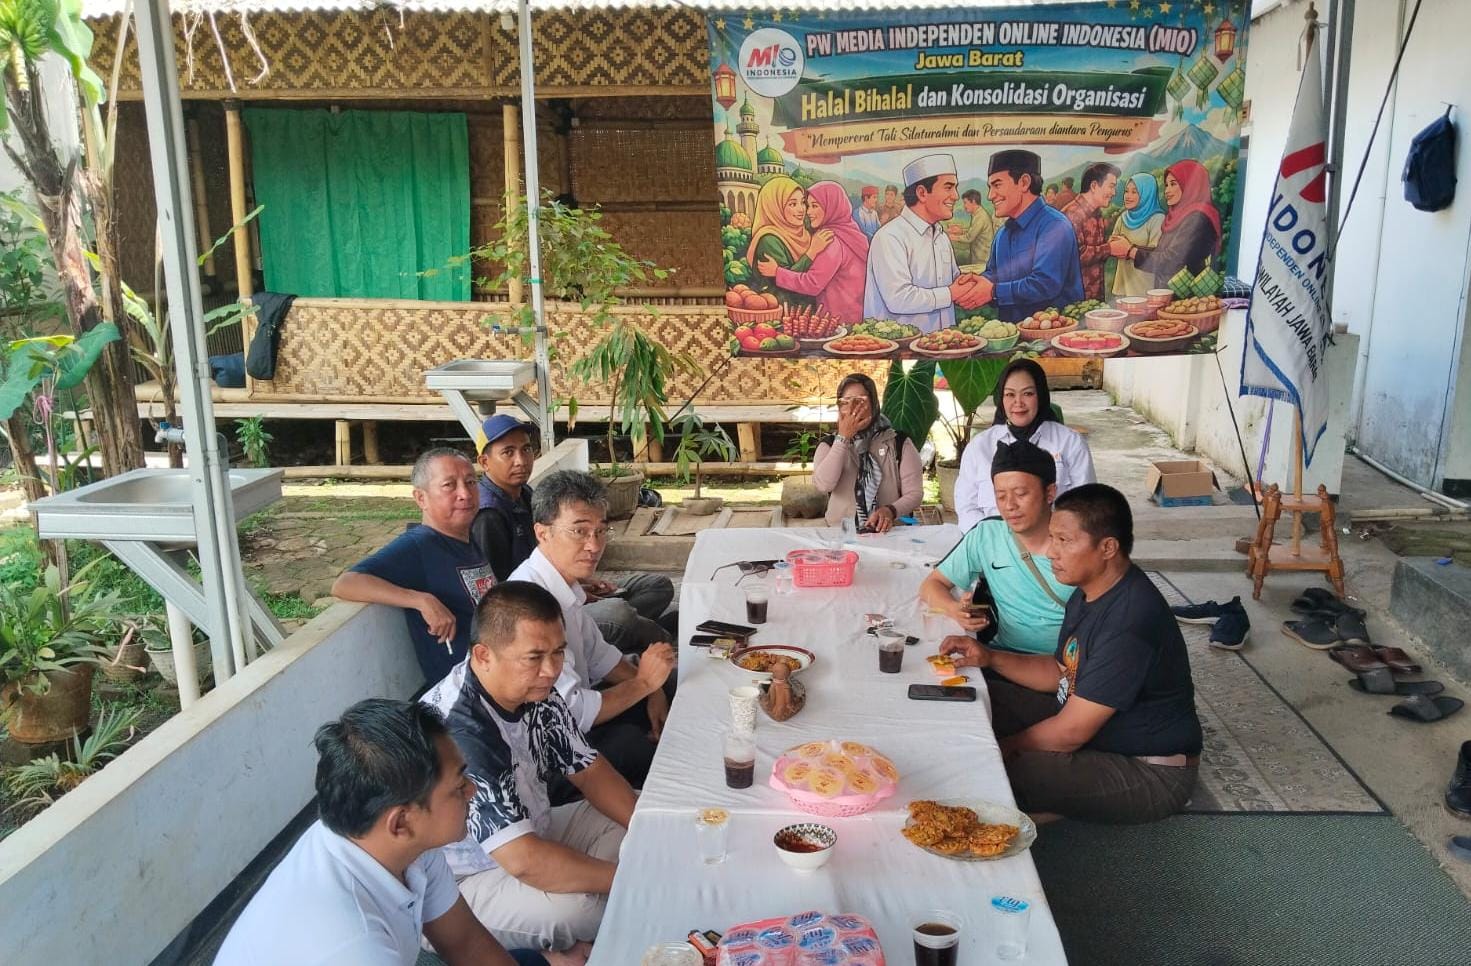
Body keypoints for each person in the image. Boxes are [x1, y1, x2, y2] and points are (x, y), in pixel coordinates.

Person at [214, 698, 551, 966]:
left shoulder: (402, 844)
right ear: (400, 823)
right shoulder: (352, 944)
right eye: (458, 785)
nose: (472, 791)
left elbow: (466, 943)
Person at [941, 484, 1202, 824]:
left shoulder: (1130, 621)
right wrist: (989, 657)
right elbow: (1062, 671)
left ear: (1107, 547)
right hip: (1093, 727)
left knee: (1000, 772)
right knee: (978, 696)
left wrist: (1003, 747)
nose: (1051, 552)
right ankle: (1052, 801)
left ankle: (1049, 810)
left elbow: (1071, 732)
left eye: (1064, 541)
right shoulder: (1088, 590)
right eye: (1053, 538)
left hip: (1150, 769)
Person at [423, 581, 636, 954]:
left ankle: (568, 930)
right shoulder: (463, 730)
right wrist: (635, 878)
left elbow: (589, 770)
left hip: (532, 828)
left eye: (558, 653)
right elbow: (522, 859)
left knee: (639, 818)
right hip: (464, 879)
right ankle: (556, 938)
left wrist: (646, 837)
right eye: (534, 657)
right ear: (484, 655)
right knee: (583, 908)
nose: (552, 670)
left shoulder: (533, 686)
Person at [508, 471, 676, 788]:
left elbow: (601, 657)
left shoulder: (565, 587)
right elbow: (574, 714)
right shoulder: (529, 602)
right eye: (579, 531)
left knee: (673, 685)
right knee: (635, 746)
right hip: (543, 758)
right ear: (542, 533)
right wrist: (643, 684)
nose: (594, 545)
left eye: (601, 531)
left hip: (575, 718)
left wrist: (655, 690)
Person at [471, 414, 675, 654]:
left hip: (567, 586)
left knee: (656, 585)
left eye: (526, 449)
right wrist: (572, 593)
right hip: (542, 614)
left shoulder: (525, 494)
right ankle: (658, 637)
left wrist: (581, 583)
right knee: (617, 613)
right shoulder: (488, 515)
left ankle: (633, 633)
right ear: (484, 462)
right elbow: (500, 598)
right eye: (508, 452)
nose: (521, 460)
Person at [333, 448, 494, 685]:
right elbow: (345, 584)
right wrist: (421, 600)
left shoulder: (466, 538)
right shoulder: (419, 545)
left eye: (471, 482)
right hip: (464, 696)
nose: (465, 494)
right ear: (421, 498)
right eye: (449, 485)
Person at [919, 439, 1071, 655]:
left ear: (1050, 493)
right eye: (1001, 496)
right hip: (1003, 656)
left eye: (1021, 494)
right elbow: (931, 585)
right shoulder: (987, 536)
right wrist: (955, 610)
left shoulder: (1079, 544)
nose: (1009, 505)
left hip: (1066, 668)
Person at [955, 359, 1095, 530]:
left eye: (1027, 394)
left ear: (1041, 395)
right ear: (1001, 398)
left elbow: (1085, 506)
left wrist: (1049, 542)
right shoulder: (979, 447)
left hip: (1054, 547)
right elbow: (966, 509)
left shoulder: (1070, 443)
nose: (1018, 403)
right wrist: (995, 542)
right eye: (1010, 394)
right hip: (994, 548)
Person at [864, 153, 986, 334]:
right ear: (922, 193)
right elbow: (899, 298)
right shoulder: (889, 237)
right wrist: (951, 293)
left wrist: (969, 283)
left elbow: (952, 282)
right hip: (902, 353)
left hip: (944, 347)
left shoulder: (941, 237)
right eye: (948, 187)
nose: (955, 196)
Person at [976, 150, 1085, 323]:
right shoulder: (1002, 235)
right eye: (990, 187)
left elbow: (1044, 284)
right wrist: (976, 283)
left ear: (1024, 182)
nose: (990, 196)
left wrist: (993, 291)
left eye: (997, 185)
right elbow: (994, 274)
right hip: (1011, 341)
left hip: (1055, 341)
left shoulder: (1054, 225)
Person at [810, 373, 923, 532]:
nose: (852, 409)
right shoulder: (829, 445)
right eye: (845, 402)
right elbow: (824, 484)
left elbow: (914, 493)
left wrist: (890, 510)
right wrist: (843, 438)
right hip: (840, 533)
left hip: (891, 534)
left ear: (874, 403)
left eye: (860, 401)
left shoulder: (899, 443)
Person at [756, 180, 869, 326]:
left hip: (834, 323)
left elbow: (812, 284)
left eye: (815, 206)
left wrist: (778, 272)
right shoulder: (852, 234)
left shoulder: (830, 240)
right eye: (808, 205)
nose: (808, 212)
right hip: (856, 317)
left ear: (832, 207)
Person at [1109, 159, 1221, 288]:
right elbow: (1162, 251)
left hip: (1187, 299)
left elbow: (1171, 260)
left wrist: (1130, 251)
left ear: (1190, 185)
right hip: (1171, 293)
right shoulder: (1179, 215)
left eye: (1173, 184)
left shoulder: (1197, 218)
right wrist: (1129, 247)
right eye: (1167, 185)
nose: (1167, 190)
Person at [745, 175, 825, 308]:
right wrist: (811, 253)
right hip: (783, 311)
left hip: (807, 312)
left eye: (802, 202)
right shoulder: (769, 240)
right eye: (793, 204)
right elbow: (785, 285)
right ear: (774, 207)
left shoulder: (806, 234)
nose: (801, 209)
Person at [1061, 162, 1120, 302]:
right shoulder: (1072, 214)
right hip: (1074, 303)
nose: (1114, 192)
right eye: (1111, 186)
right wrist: (1109, 249)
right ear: (1094, 186)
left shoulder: (1097, 213)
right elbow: (1074, 255)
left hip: (1094, 301)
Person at [1108, 173, 1166, 298]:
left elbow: (1156, 254)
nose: (1128, 196)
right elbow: (1112, 244)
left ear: (1147, 194)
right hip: (1122, 287)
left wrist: (1128, 249)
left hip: (1145, 288)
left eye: (1134, 192)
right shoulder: (1123, 218)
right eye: (1126, 191)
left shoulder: (1157, 219)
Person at [949, 188, 998, 270]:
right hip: (980, 258)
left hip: (982, 260)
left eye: (965, 203)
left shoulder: (980, 217)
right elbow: (975, 232)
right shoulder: (978, 214)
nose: (964, 206)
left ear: (974, 202)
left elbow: (969, 238)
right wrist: (960, 231)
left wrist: (953, 237)